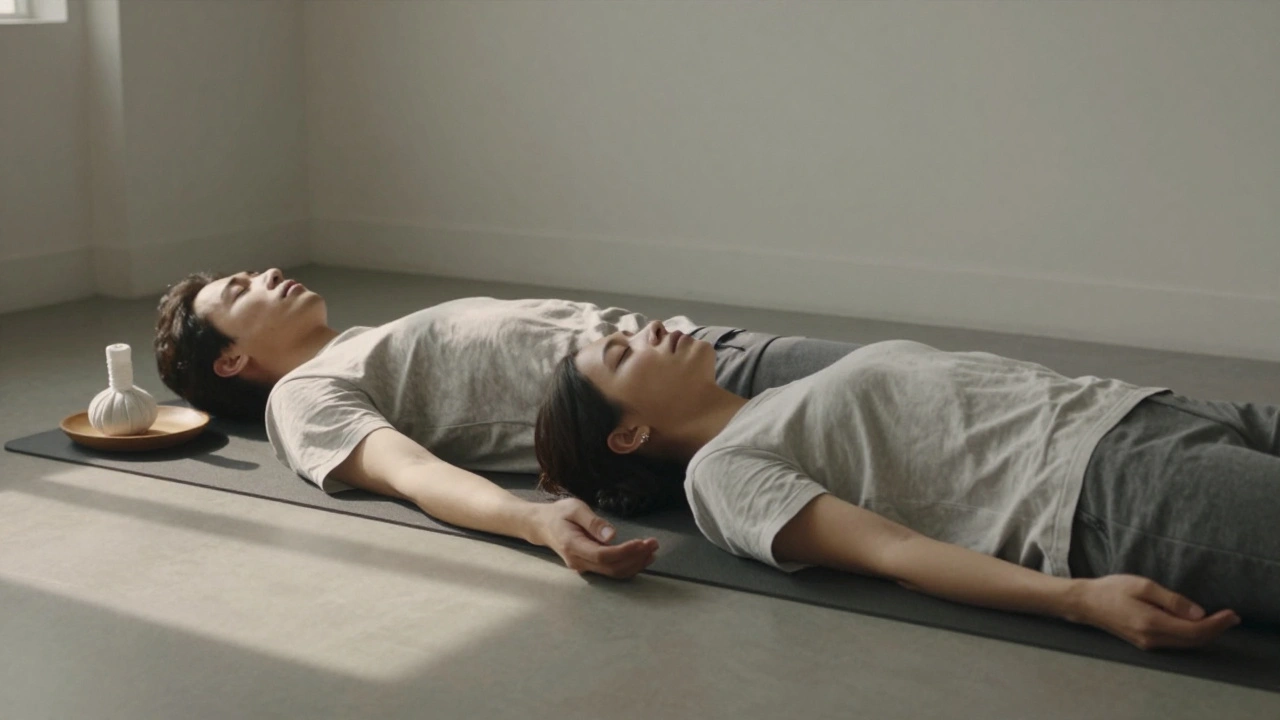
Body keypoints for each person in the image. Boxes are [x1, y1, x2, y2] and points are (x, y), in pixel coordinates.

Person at [534, 320, 1280, 650]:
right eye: (623, 353)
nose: (650, 330)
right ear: (627, 435)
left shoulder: (784, 389)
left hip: (1142, 410)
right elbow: (894, 552)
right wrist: (1080, 601)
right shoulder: (721, 475)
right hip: (1112, 492)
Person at [153, 268, 863, 579]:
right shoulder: (303, 394)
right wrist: (537, 523)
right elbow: (413, 475)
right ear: (230, 361)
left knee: (946, 395)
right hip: (701, 398)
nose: (267, 273)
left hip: (699, 352)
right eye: (238, 291)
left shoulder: (368, 337)